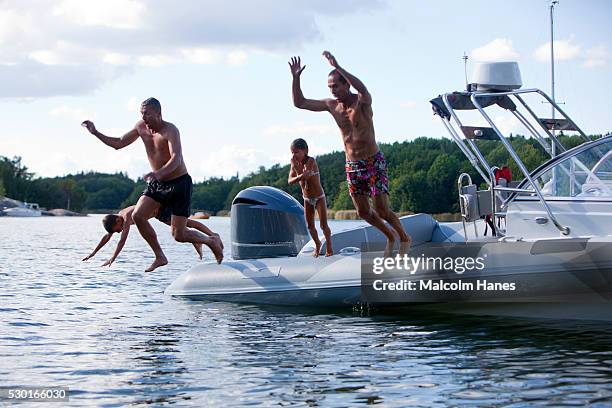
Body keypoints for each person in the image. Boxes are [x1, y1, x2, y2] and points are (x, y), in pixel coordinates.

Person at [288, 51, 411, 256]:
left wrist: (339, 66)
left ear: (346, 85)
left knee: (381, 209)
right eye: (330, 87)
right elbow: (299, 102)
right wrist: (296, 78)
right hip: (352, 165)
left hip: (373, 162)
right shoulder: (332, 106)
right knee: (362, 212)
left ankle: (404, 238)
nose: (333, 90)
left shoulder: (362, 102)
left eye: (336, 85)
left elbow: (363, 89)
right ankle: (390, 236)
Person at [82, 97, 223, 271]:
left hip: (179, 183)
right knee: (138, 216)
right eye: (141, 114)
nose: (144, 118)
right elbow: (118, 143)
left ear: (158, 113)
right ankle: (160, 256)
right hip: (158, 184)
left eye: (147, 114)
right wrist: (96, 132)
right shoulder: (140, 127)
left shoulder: (170, 130)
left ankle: (210, 240)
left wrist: (158, 173)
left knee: (179, 234)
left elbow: (176, 158)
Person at [82, 205, 223, 266]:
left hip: (160, 210)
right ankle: (201, 240)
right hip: (157, 215)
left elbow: (122, 241)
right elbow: (107, 236)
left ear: (118, 220)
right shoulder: (120, 216)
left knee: (187, 225)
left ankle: (212, 235)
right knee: (185, 228)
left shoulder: (125, 216)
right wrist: (93, 253)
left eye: (118, 229)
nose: (119, 231)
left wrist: (113, 257)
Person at [288, 138, 333, 257]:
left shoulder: (311, 160)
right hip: (307, 199)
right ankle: (317, 243)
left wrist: (297, 171)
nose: (294, 155)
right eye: (292, 152)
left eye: (296, 152)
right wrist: (296, 170)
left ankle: (329, 246)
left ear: (305, 151)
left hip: (319, 197)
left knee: (323, 225)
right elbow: (289, 181)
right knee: (310, 226)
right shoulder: (294, 164)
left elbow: (306, 175)